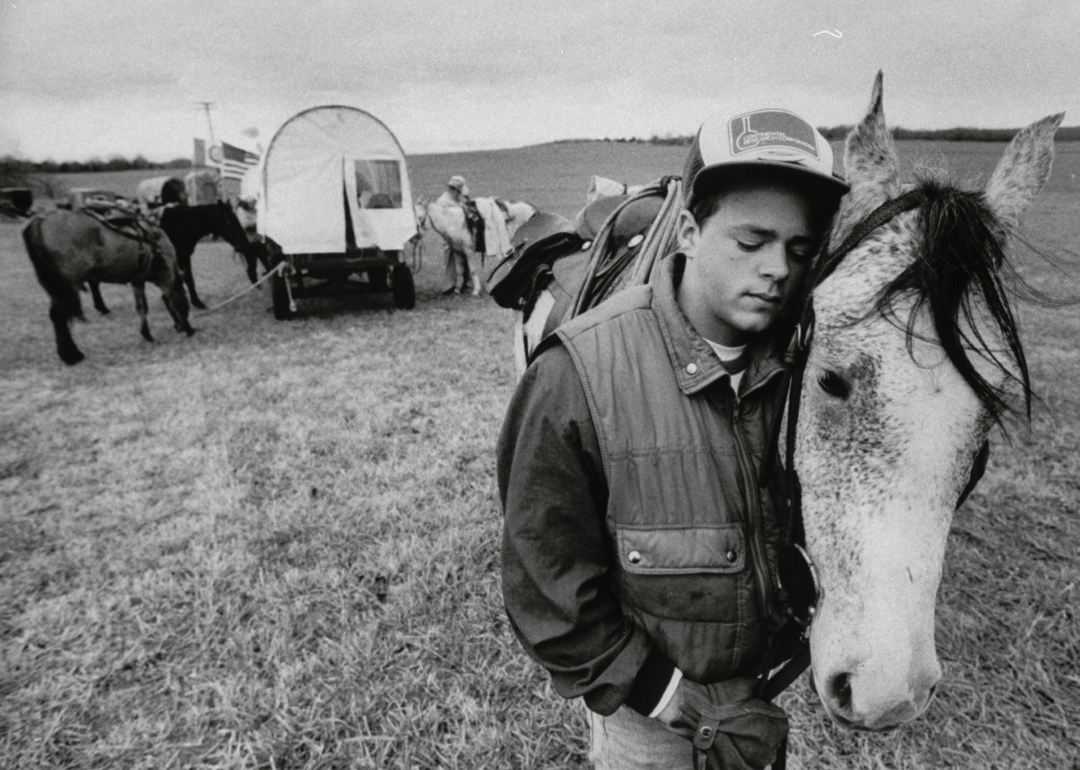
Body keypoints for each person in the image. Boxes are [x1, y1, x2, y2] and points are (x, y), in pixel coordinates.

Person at [497, 106, 847, 769]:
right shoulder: (577, 375)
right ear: (687, 230)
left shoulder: (809, 373)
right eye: (751, 242)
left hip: (761, 712)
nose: (778, 269)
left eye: (799, 251)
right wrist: (672, 700)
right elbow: (546, 582)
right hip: (650, 729)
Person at [435, 175, 482, 295]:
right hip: (450, 237)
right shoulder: (443, 202)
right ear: (454, 189)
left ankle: (466, 284)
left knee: (464, 260)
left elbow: (466, 204)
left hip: (460, 235)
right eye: (458, 191)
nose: (459, 193)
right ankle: (450, 286)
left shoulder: (456, 198)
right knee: (453, 262)